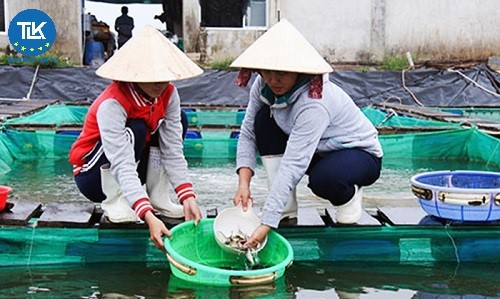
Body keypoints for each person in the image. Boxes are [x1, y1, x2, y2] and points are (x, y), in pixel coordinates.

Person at [230, 19, 383, 249]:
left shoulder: (314, 102)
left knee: (323, 180)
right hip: (318, 150)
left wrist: (266, 222)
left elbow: (294, 163)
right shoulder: (263, 86)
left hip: (357, 154)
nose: (273, 80)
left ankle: (349, 197)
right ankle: (286, 207)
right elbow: (248, 133)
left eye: (281, 73)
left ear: (299, 70)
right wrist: (243, 183)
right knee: (263, 120)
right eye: (267, 71)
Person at [68, 25, 203, 249]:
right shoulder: (113, 102)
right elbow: (121, 162)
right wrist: (148, 216)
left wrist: (187, 196)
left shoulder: (168, 94)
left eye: (165, 75)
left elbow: (173, 151)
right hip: (93, 176)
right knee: (137, 127)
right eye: (152, 76)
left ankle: (158, 195)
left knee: (179, 120)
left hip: (131, 164)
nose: (160, 83)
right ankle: (116, 200)